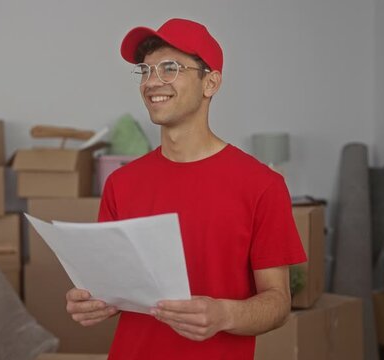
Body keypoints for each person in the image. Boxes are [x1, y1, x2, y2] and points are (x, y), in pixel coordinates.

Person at [65, 18, 307, 359]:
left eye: (169, 68)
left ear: (211, 83)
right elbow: (116, 287)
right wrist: (92, 302)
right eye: (145, 71)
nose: (152, 82)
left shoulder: (262, 185)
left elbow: (278, 302)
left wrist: (225, 315)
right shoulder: (121, 182)